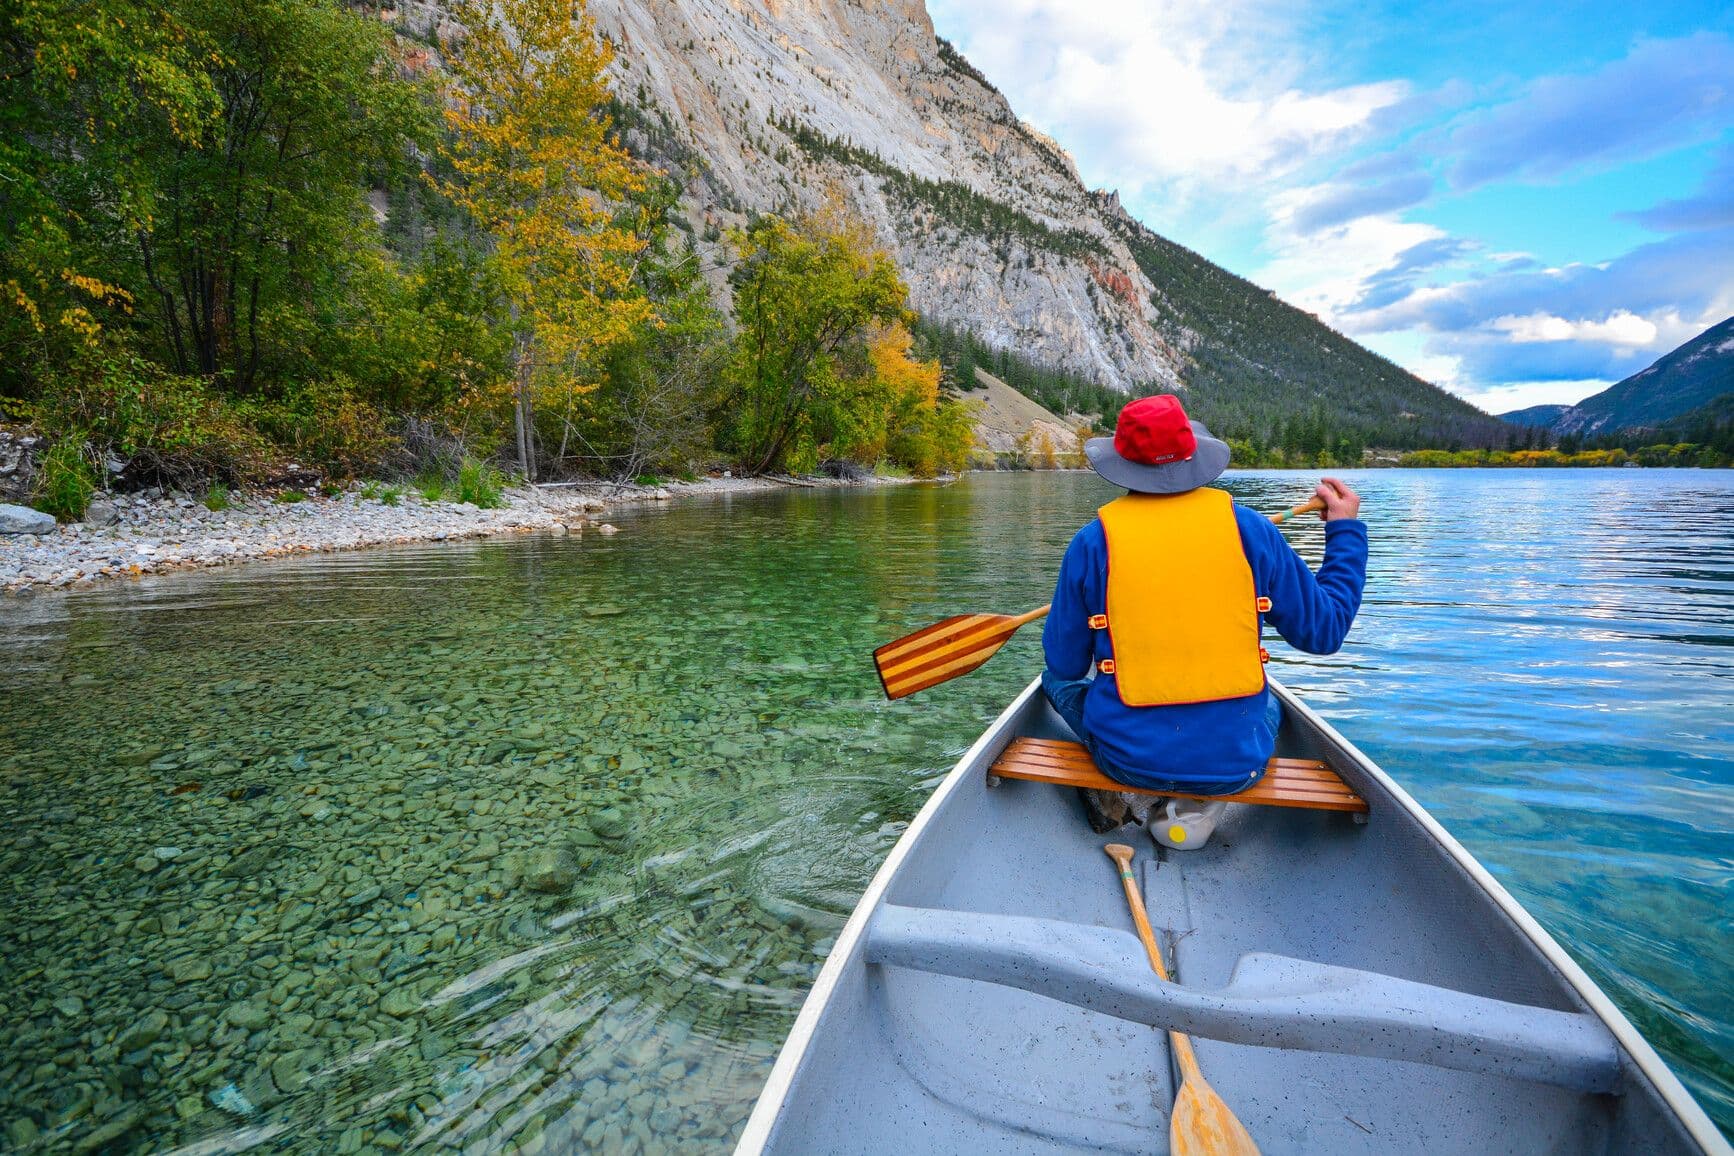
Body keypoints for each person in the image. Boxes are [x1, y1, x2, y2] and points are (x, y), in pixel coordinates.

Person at [1041, 394, 1367, 832]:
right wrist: (1344, 530)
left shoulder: (1091, 542)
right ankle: (1201, 797)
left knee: (1054, 680)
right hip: (1238, 768)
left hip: (1125, 763)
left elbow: (1064, 665)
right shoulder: (1252, 530)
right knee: (1272, 703)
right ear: (1194, 455)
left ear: (1122, 464)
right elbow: (1325, 632)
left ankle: (1134, 791)